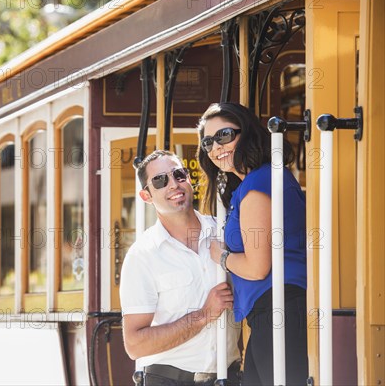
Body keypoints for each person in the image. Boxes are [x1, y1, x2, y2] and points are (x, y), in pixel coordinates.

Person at [197, 102, 308, 385]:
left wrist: (220, 256)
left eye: (223, 136)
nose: (215, 147)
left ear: (245, 132)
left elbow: (258, 268)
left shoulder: (259, 184)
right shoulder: (250, 183)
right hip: (268, 312)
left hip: (279, 308)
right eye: (208, 142)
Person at [120, 150, 240, 386]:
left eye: (178, 175)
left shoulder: (224, 233)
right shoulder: (142, 255)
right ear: (146, 196)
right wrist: (203, 315)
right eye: (160, 181)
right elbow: (135, 345)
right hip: (168, 380)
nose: (173, 185)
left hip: (230, 377)